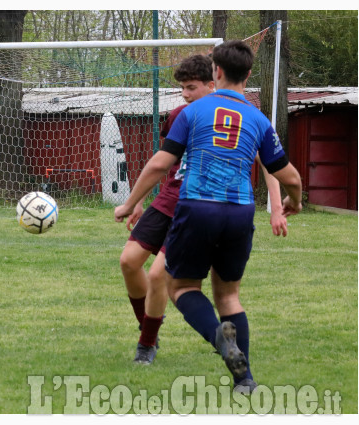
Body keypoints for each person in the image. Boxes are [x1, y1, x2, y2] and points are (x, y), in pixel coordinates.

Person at [115, 41, 302, 394]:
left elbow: (160, 163)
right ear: (248, 75)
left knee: (181, 286)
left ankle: (219, 337)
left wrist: (129, 203)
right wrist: (294, 201)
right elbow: (288, 175)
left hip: (198, 206)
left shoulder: (194, 113)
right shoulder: (259, 119)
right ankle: (244, 381)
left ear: (215, 71)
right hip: (240, 212)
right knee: (229, 297)